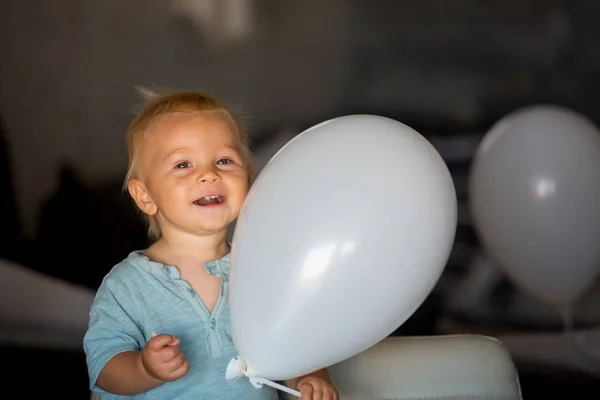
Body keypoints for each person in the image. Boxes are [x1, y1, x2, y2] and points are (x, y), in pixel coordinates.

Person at [83, 90, 339, 399]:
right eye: (182, 165)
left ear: (247, 177)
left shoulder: (262, 272)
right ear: (145, 196)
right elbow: (104, 369)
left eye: (223, 160)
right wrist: (143, 368)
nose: (208, 174)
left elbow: (296, 342)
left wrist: (309, 379)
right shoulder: (126, 286)